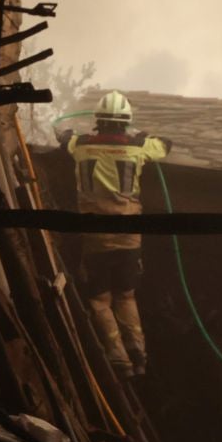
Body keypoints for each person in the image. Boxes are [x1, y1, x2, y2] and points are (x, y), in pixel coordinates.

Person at [65, 90, 168, 377]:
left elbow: (66, 139)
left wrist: (67, 135)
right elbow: (165, 146)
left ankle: (117, 356)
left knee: (100, 299)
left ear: (98, 120)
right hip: (128, 235)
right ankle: (137, 352)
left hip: (96, 236)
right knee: (126, 295)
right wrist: (146, 136)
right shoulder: (138, 146)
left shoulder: (81, 145)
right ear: (126, 122)